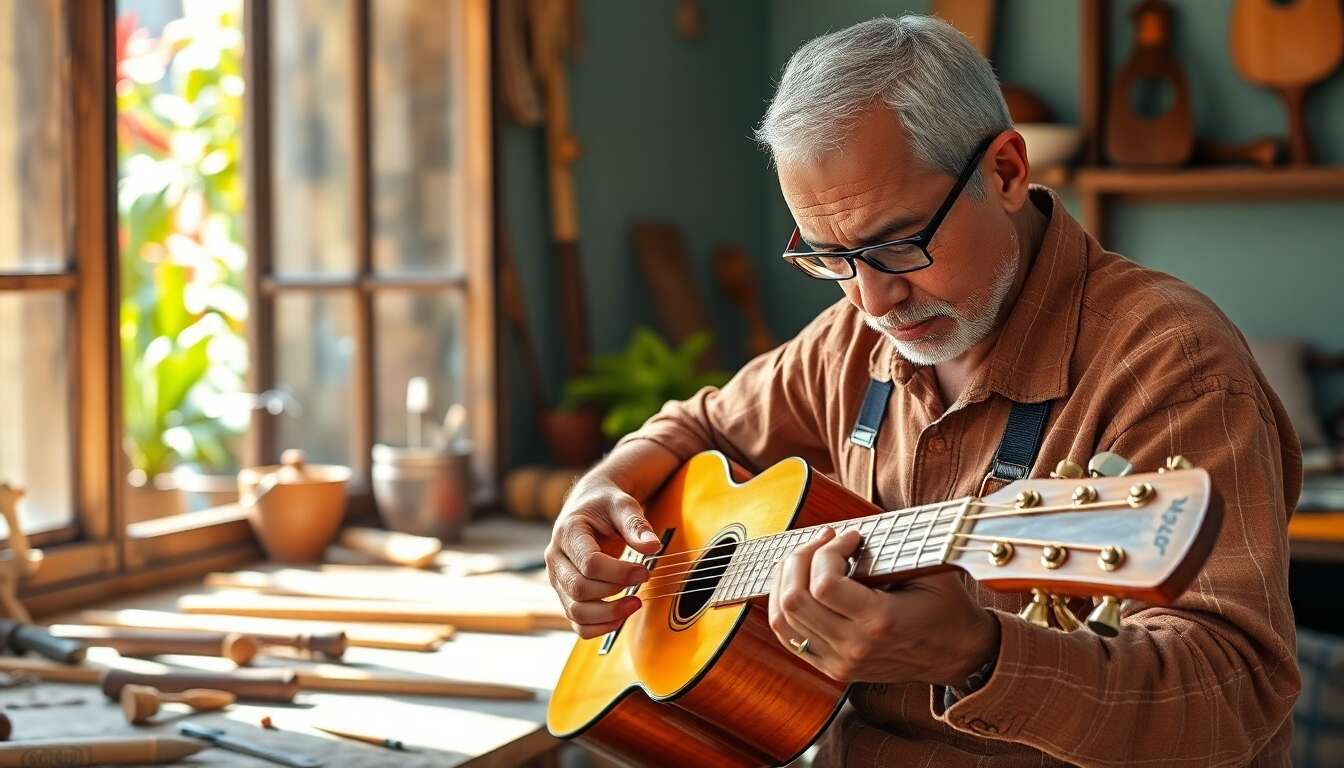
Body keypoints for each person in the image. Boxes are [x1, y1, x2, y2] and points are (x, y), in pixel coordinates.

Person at [544, 15, 1300, 766]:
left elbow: (1232, 699)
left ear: (1006, 172)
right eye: (829, 257)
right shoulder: (854, 337)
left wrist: (978, 655)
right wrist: (602, 491)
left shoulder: (1172, 363)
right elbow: (701, 425)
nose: (873, 300)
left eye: (899, 243)